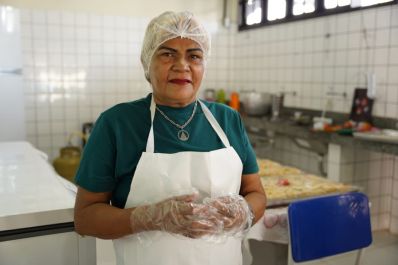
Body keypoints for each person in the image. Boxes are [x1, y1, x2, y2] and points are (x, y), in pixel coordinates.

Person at [74, 11, 266, 265]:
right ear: (147, 62)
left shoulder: (228, 119)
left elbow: (256, 194)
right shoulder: (117, 123)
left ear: (203, 64)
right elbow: (85, 218)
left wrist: (242, 212)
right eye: (167, 53)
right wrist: (150, 217)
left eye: (194, 56)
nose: (182, 65)